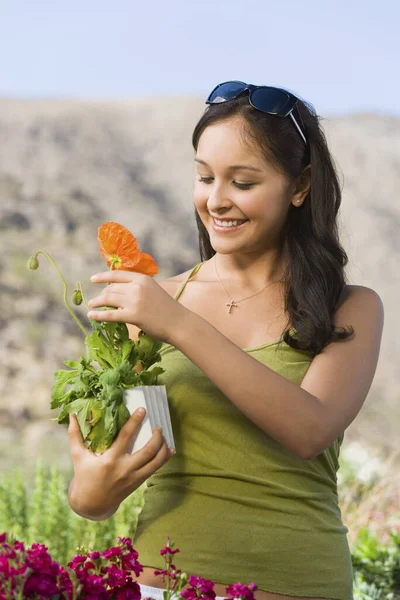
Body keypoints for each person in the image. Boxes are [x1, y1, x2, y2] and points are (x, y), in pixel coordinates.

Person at [67, 81, 384, 600]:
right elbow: (97, 484)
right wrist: (92, 492)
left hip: (299, 587)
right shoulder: (150, 306)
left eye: (242, 182)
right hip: (156, 584)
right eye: (204, 177)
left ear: (299, 186)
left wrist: (180, 325)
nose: (216, 200)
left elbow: (310, 429)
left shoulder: (350, 307)